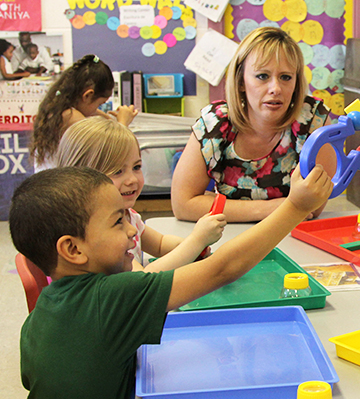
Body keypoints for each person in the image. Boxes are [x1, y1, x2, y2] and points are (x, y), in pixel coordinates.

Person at [10, 164, 332, 399]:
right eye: (118, 221)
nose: (133, 232)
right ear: (73, 249)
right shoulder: (110, 298)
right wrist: (295, 207)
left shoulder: (41, 315)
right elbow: (222, 268)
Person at [171, 26, 336, 223]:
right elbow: (182, 205)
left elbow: (312, 207)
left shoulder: (313, 120)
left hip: (292, 239)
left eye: (286, 77)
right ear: (241, 81)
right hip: (226, 239)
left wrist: (214, 206)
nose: (275, 88)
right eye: (262, 76)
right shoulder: (214, 122)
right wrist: (272, 208)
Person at [55, 117, 226, 272]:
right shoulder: (103, 233)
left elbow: (160, 244)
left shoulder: (128, 216)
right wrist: (195, 242)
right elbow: (143, 280)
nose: (132, 180)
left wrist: (195, 247)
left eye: (136, 167)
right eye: (117, 172)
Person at [30, 54, 138, 170]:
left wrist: (111, 121)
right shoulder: (72, 118)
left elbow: (93, 112)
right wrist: (123, 123)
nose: (97, 109)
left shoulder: (59, 108)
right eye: (100, 104)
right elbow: (109, 152)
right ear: (87, 95)